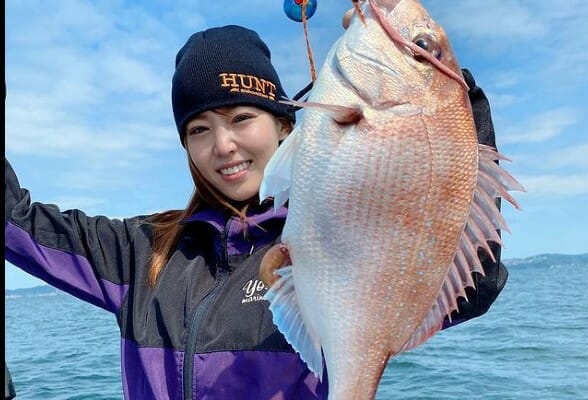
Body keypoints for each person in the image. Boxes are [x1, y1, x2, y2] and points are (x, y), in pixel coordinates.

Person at [5, 22, 508, 400]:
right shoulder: (142, 252)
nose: (222, 145)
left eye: (241, 118)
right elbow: (16, 221)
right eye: (198, 130)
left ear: (287, 127)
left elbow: (475, 283)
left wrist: (441, 92)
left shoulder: (320, 243)